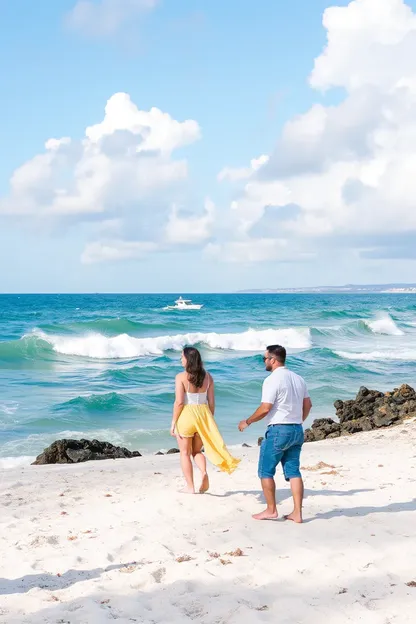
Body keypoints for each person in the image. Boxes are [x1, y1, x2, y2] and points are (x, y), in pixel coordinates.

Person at [238, 344, 312, 523]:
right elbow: (308, 405)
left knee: (265, 471)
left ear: (273, 360)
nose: (264, 362)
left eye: (265, 358)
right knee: (294, 471)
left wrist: (247, 421)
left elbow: (265, 408)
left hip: (279, 429)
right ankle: (297, 513)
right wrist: (298, 420)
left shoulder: (272, 379)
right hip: (296, 429)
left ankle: (271, 510)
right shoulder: (298, 378)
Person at [171, 346, 240, 493]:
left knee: (184, 453)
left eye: (182, 357)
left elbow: (179, 402)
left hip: (187, 415)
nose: (180, 360)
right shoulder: (208, 377)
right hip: (203, 414)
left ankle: (190, 487)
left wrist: (173, 423)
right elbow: (212, 403)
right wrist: (208, 420)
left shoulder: (181, 377)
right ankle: (203, 473)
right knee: (196, 451)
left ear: (188, 359)